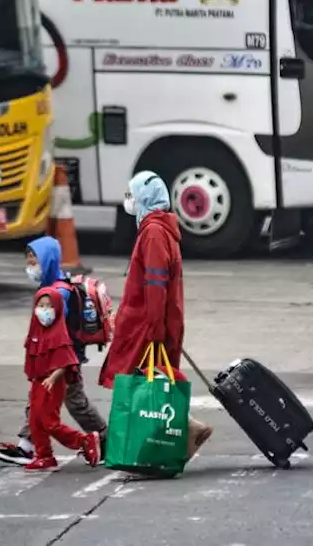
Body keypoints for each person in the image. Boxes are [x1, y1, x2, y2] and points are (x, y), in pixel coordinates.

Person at [99, 170, 213, 459]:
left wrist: (153, 325)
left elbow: (155, 283)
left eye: (132, 193)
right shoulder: (162, 229)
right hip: (153, 319)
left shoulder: (152, 233)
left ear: (145, 197)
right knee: (151, 382)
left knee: (136, 384)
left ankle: (135, 446)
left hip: (145, 322)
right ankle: (182, 431)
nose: (129, 199)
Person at [0, 236, 107, 466]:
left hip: (62, 359)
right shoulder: (52, 286)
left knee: (71, 403)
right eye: (29, 258)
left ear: (48, 259)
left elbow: (54, 332)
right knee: (42, 401)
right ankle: (29, 446)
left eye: (35, 259)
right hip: (56, 357)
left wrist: (56, 367)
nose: (31, 264)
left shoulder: (57, 292)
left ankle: (102, 440)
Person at [22, 291, 103, 472]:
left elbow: (66, 361)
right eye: (41, 306)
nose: (45, 310)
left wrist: (53, 378)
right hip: (38, 381)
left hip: (53, 382)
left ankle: (83, 440)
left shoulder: (59, 334)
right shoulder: (35, 331)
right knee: (35, 420)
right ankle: (44, 456)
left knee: (49, 421)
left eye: (50, 306)